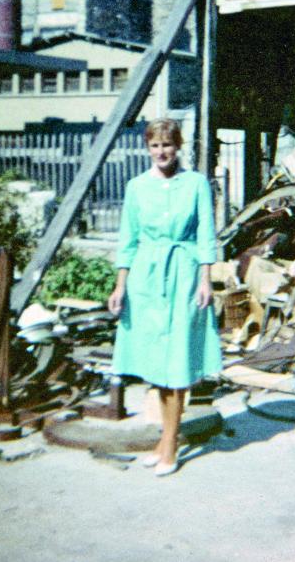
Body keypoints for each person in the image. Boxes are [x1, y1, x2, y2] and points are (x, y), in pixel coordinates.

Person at [107, 118, 221, 477]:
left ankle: (170, 442)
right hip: (145, 277)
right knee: (156, 360)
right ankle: (165, 437)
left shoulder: (196, 184)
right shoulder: (137, 187)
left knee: (179, 359)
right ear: (147, 148)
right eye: (155, 145)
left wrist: (206, 279)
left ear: (178, 146)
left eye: (167, 144)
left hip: (185, 275)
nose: (162, 151)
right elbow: (127, 239)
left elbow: (206, 234)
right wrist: (120, 285)